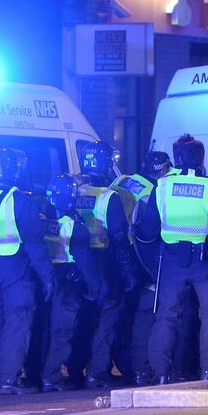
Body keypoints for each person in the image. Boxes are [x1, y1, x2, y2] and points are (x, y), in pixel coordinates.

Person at [139, 138, 208, 382]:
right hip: (206, 260)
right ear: (202, 159)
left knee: (166, 316)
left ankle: (160, 373)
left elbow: (148, 230)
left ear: (178, 159)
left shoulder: (163, 186)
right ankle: (206, 373)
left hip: (171, 261)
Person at [0, 148, 56, 395]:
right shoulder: (19, 200)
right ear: (10, 169)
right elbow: (35, 245)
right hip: (14, 268)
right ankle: (9, 379)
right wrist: (48, 278)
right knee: (17, 322)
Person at [73, 141, 138, 388]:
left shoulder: (74, 191)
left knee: (84, 320)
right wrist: (129, 273)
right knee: (107, 318)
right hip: (103, 263)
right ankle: (97, 372)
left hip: (77, 264)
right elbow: (120, 238)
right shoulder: (108, 197)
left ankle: (77, 370)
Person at [111, 150, 172, 385]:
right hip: (137, 258)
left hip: (114, 256)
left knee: (123, 317)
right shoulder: (151, 193)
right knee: (146, 316)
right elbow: (148, 234)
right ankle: (143, 368)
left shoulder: (122, 179)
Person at [41, 174, 105, 391]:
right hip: (67, 284)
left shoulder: (43, 219)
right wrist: (95, 288)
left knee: (44, 330)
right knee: (63, 332)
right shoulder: (74, 225)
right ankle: (51, 376)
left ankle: (38, 374)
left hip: (45, 279)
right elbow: (85, 260)